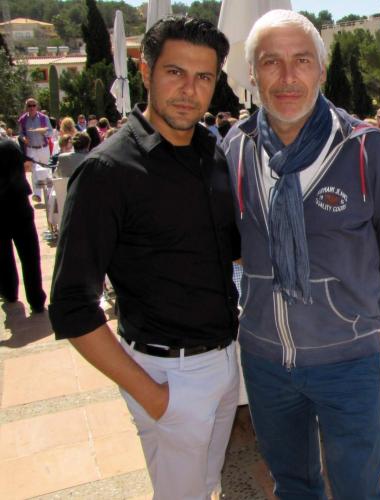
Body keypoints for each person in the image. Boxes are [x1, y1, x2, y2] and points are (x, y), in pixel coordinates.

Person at [222, 10, 380, 499]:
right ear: (253, 75)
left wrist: (362, 324)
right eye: (271, 62)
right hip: (265, 361)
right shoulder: (236, 148)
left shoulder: (365, 148)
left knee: (359, 488)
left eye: (302, 60)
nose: (288, 77)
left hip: (348, 361)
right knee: (292, 486)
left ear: (322, 71)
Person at [48, 17, 239, 499]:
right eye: (175, 72)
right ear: (146, 70)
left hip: (224, 361)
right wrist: (155, 397)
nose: (189, 90)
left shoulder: (211, 152)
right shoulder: (108, 171)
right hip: (167, 372)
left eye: (204, 77)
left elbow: (227, 249)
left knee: (207, 486)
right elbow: (71, 307)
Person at [0, 138, 47, 312]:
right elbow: (25, 164)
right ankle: (36, 299)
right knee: (30, 256)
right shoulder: (10, 144)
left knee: (3, 255)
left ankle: (9, 291)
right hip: (19, 204)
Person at [17, 97, 53, 202]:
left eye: (33, 105)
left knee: (47, 170)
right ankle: (37, 194)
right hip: (31, 148)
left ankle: (49, 194)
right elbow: (20, 133)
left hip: (43, 147)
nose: (32, 107)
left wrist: (44, 132)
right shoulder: (23, 119)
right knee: (34, 171)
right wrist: (23, 138)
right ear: (26, 107)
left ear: (37, 107)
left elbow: (51, 132)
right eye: (29, 105)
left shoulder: (44, 118)